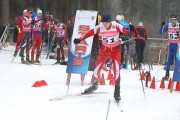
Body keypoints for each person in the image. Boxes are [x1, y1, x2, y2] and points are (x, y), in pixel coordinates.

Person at [74, 13, 130, 102]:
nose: (105, 25)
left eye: (106, 23)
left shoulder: (116, 25)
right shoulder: (100, 27)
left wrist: (130, 31)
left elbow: (126, 31)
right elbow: (89, 32)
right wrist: (80, 39)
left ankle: (117, 91)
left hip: (116, 50)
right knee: (96, 69)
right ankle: (95, 85)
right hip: (105, 50)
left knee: (116, 70)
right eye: (103, 23)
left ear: (110, 22)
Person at [159, 14, 180, 80]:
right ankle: (167, 74)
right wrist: (162, 26)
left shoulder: (179, 25)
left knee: (177, 60)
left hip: (177, 45)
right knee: (168, 59)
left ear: (176, 20)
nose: (173, 21)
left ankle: (177, 74)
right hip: (170, 45)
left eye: (174, 20)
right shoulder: (168, 25)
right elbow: (160, 32)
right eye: (172, 19)